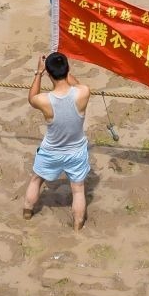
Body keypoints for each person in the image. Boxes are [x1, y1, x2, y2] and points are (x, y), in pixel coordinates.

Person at [24, 52, 92, 230]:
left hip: (51, 151)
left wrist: (38, 73)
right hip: (76, 151)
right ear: (67, 70)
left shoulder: (44, 100)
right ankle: (77, 227)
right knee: (78, 190)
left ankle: (27, 212)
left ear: (48, 73)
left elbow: (31, 98)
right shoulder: (83, 93)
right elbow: (78, 85)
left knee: (36, 180)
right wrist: (66, 71)